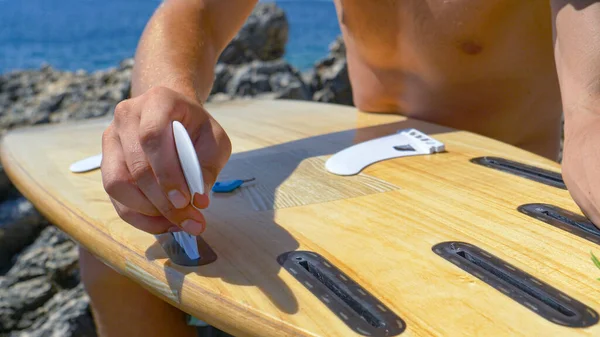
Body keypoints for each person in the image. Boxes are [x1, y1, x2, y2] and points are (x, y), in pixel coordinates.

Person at [79, 0, 600, 336]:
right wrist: (165, 98)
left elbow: (590, 112)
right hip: (351, 184)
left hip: (483, 203)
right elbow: (191, 14)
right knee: (112, 258)